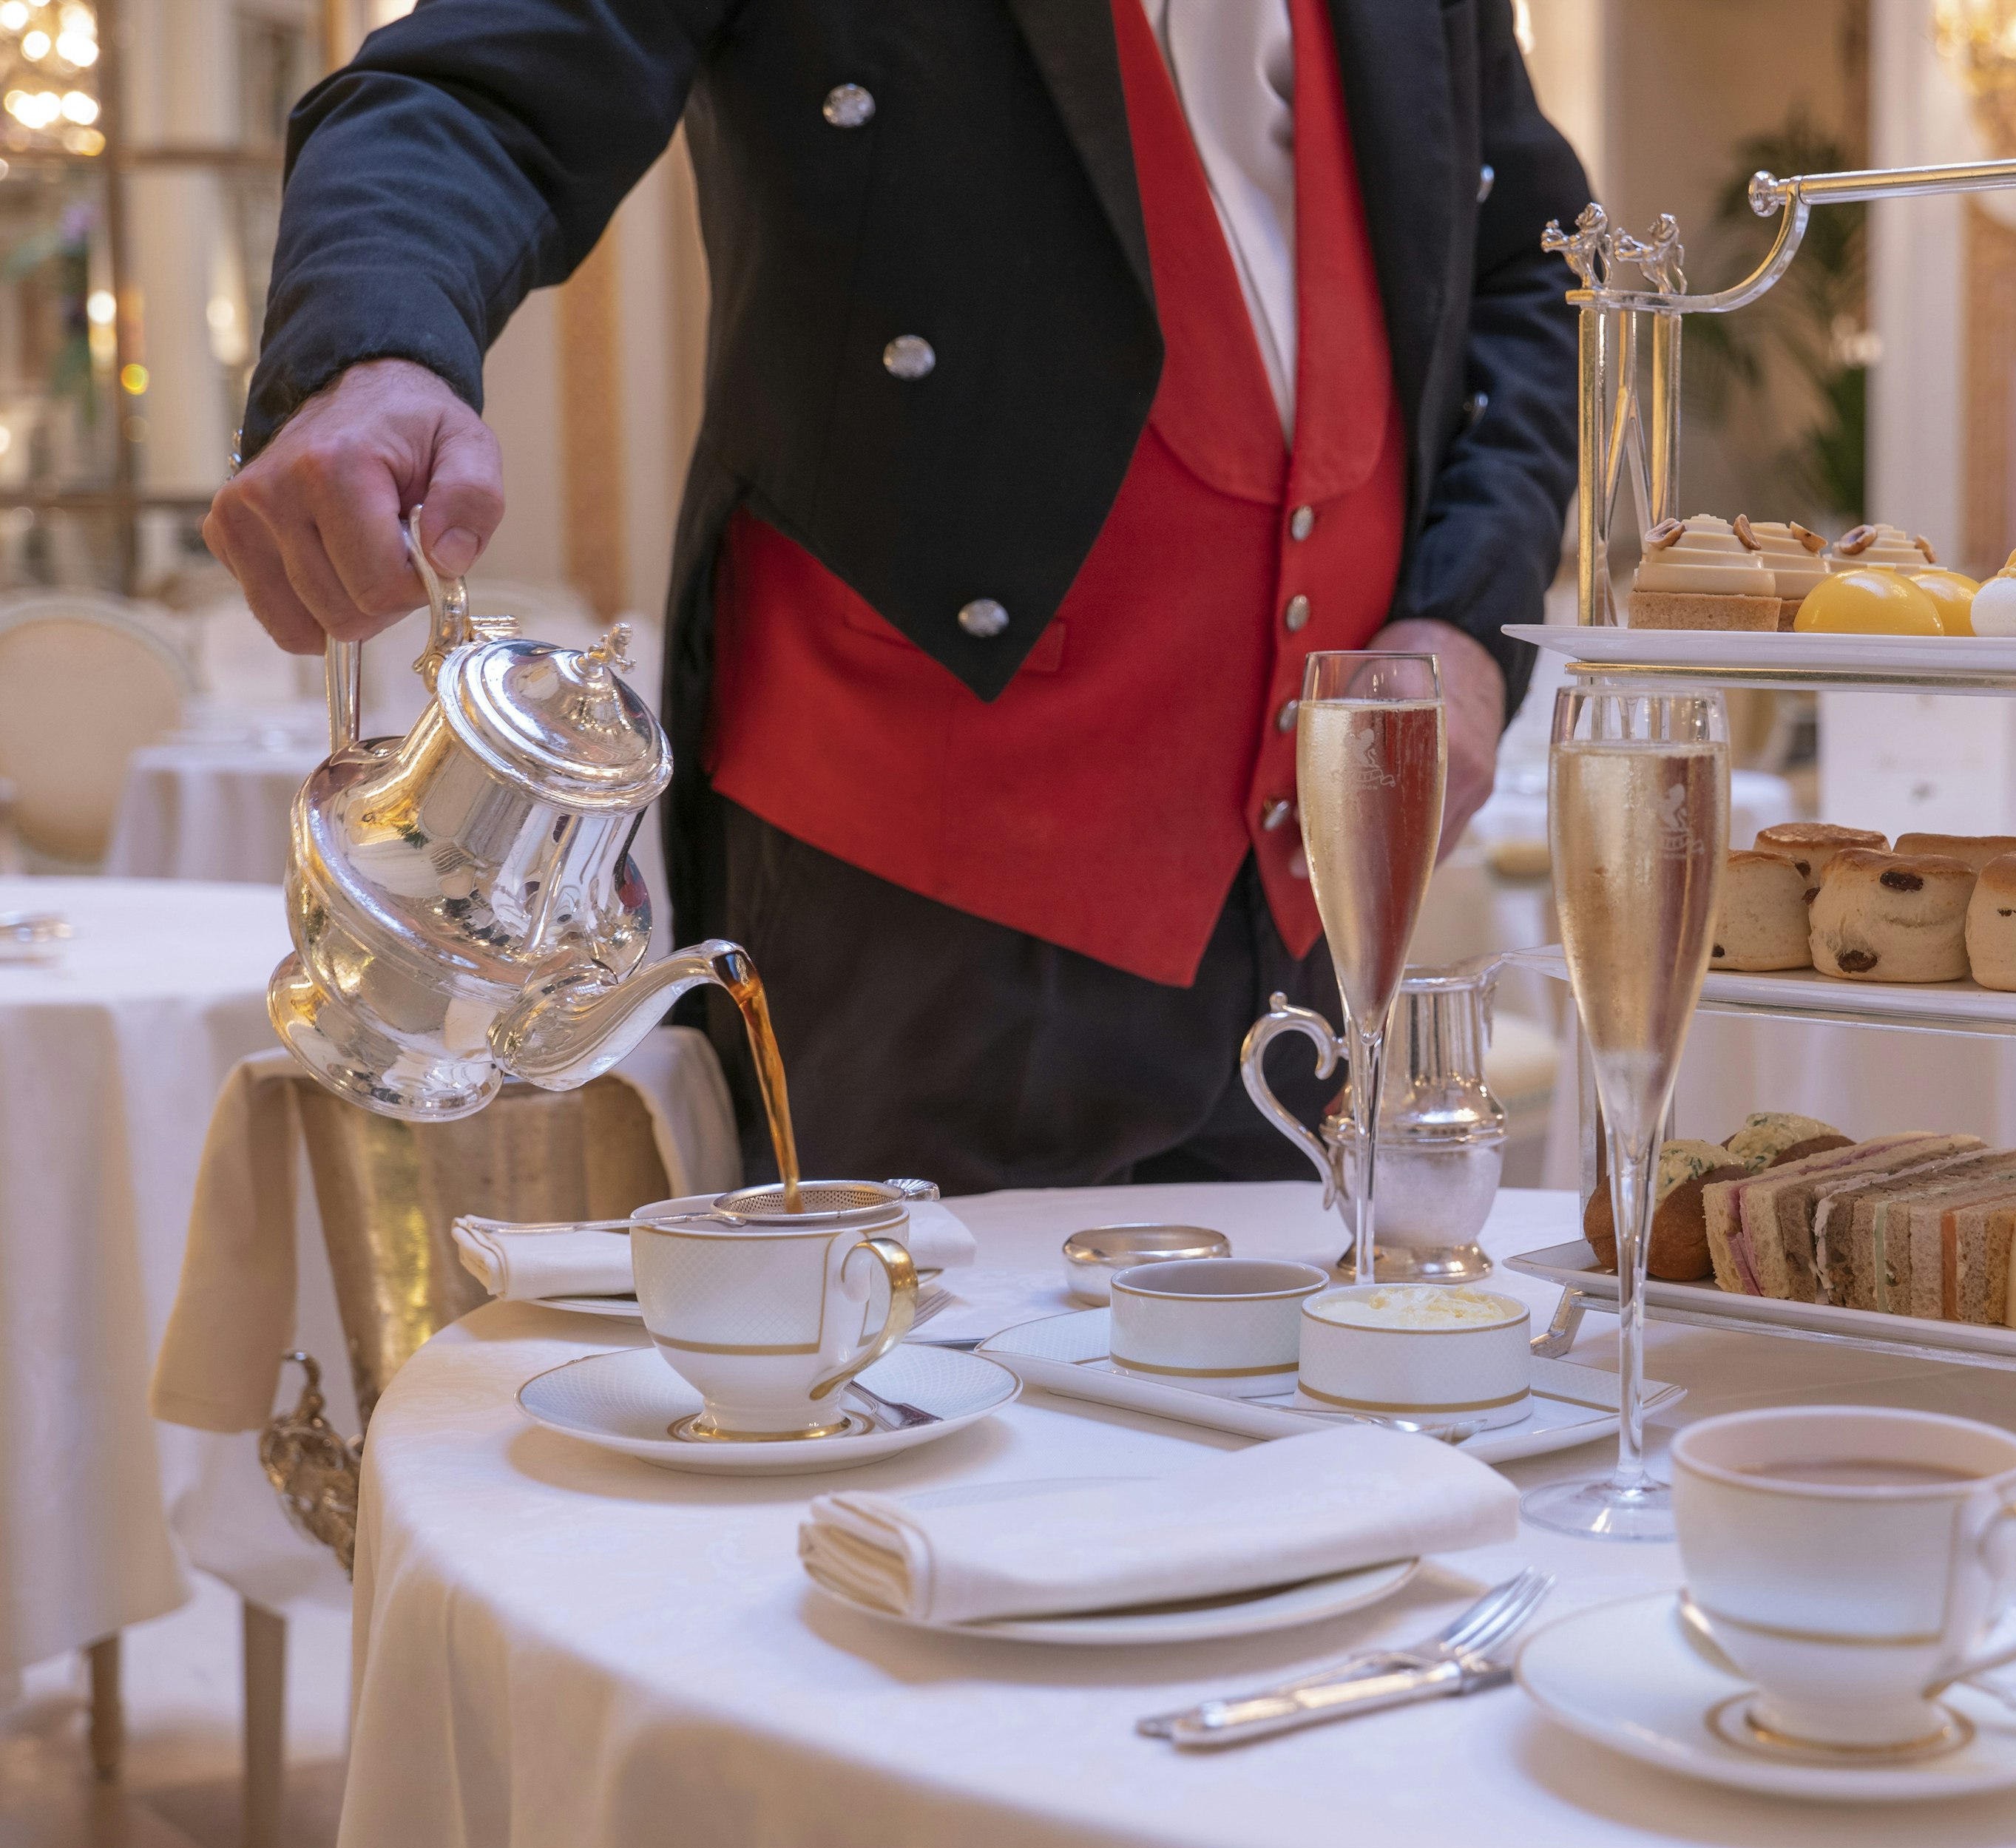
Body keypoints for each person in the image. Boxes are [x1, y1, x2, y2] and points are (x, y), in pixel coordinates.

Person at [204, 0, 1584, 1189]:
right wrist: (373, 353)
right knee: (909, 1462)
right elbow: (472, 89)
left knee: (1287, 1450)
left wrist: (1463, 618)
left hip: (1300, 884)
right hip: (917, 888)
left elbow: (1531, 263)